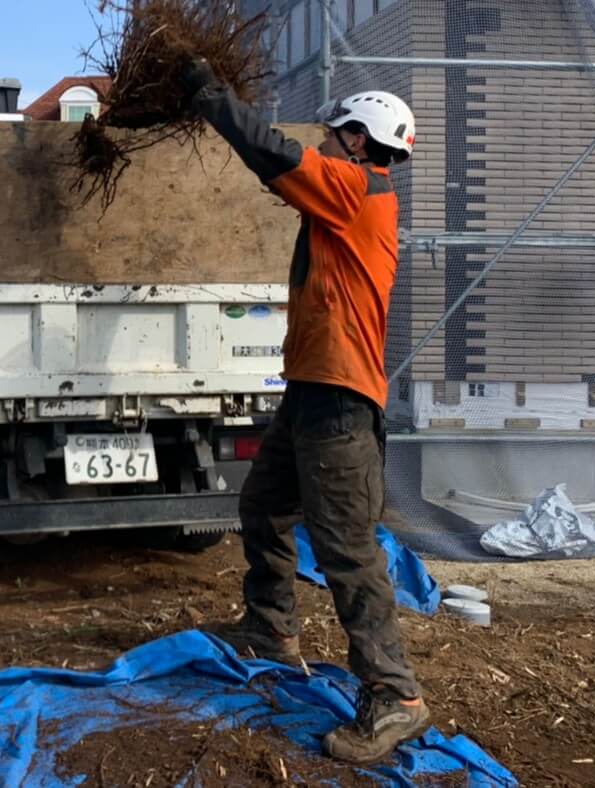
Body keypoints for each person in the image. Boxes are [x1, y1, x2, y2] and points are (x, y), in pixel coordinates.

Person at [181, 62, 428, 765]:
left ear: (360, 141)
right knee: (264, 505)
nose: (325, 146)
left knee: (348, 549)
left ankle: (395, 695)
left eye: (336, 136)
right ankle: (271, 629)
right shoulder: (350, 196)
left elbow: (273, 153)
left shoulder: (358, 190)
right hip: (311, 392)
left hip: (340, 402)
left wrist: (209, 95)